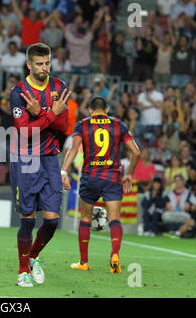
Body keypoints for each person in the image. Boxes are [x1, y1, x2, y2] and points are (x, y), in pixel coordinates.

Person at [9, 43, 71, 287]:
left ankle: (33, 257)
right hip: (25, 159)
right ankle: (22, 270)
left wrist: (41, 114)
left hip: (49, 158)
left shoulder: (59, 87)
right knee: (27, 219)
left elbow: (63, 126)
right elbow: (24, 133)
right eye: (39, 64)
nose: (45, 68)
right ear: (29, 65)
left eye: (47, 63)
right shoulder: (19, 92)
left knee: (53, 219)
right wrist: (49, 114)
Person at [61, 96, 141, 274]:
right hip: (112, 177)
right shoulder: (119, 125)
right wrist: (128, 174)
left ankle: (83, 262)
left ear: (90, 110)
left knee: (85, 218)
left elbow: (73, 150)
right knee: (114, 219)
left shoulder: (82, 125)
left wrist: (64, 171)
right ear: (107, 109)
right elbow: (136, 152)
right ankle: (115, 255)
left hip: (90, 177)